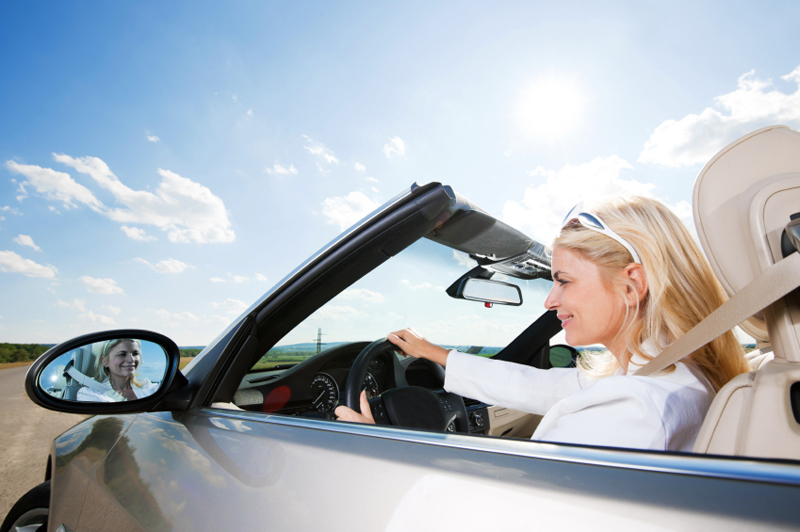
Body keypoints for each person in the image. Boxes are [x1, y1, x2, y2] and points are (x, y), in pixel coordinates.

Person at [335, 196, 750, 451]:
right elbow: (542, 387)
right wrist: (435, 354)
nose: (551, 302)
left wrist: (386, 445)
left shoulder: (634, 410)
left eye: (564, 281)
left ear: (632, 284)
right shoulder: (670, 375)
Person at [76, 338, 159, 402]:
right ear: (105, 362)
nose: (131, 359)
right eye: (122, 354)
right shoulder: (89, 393)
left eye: (135, 354)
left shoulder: (149, 387)